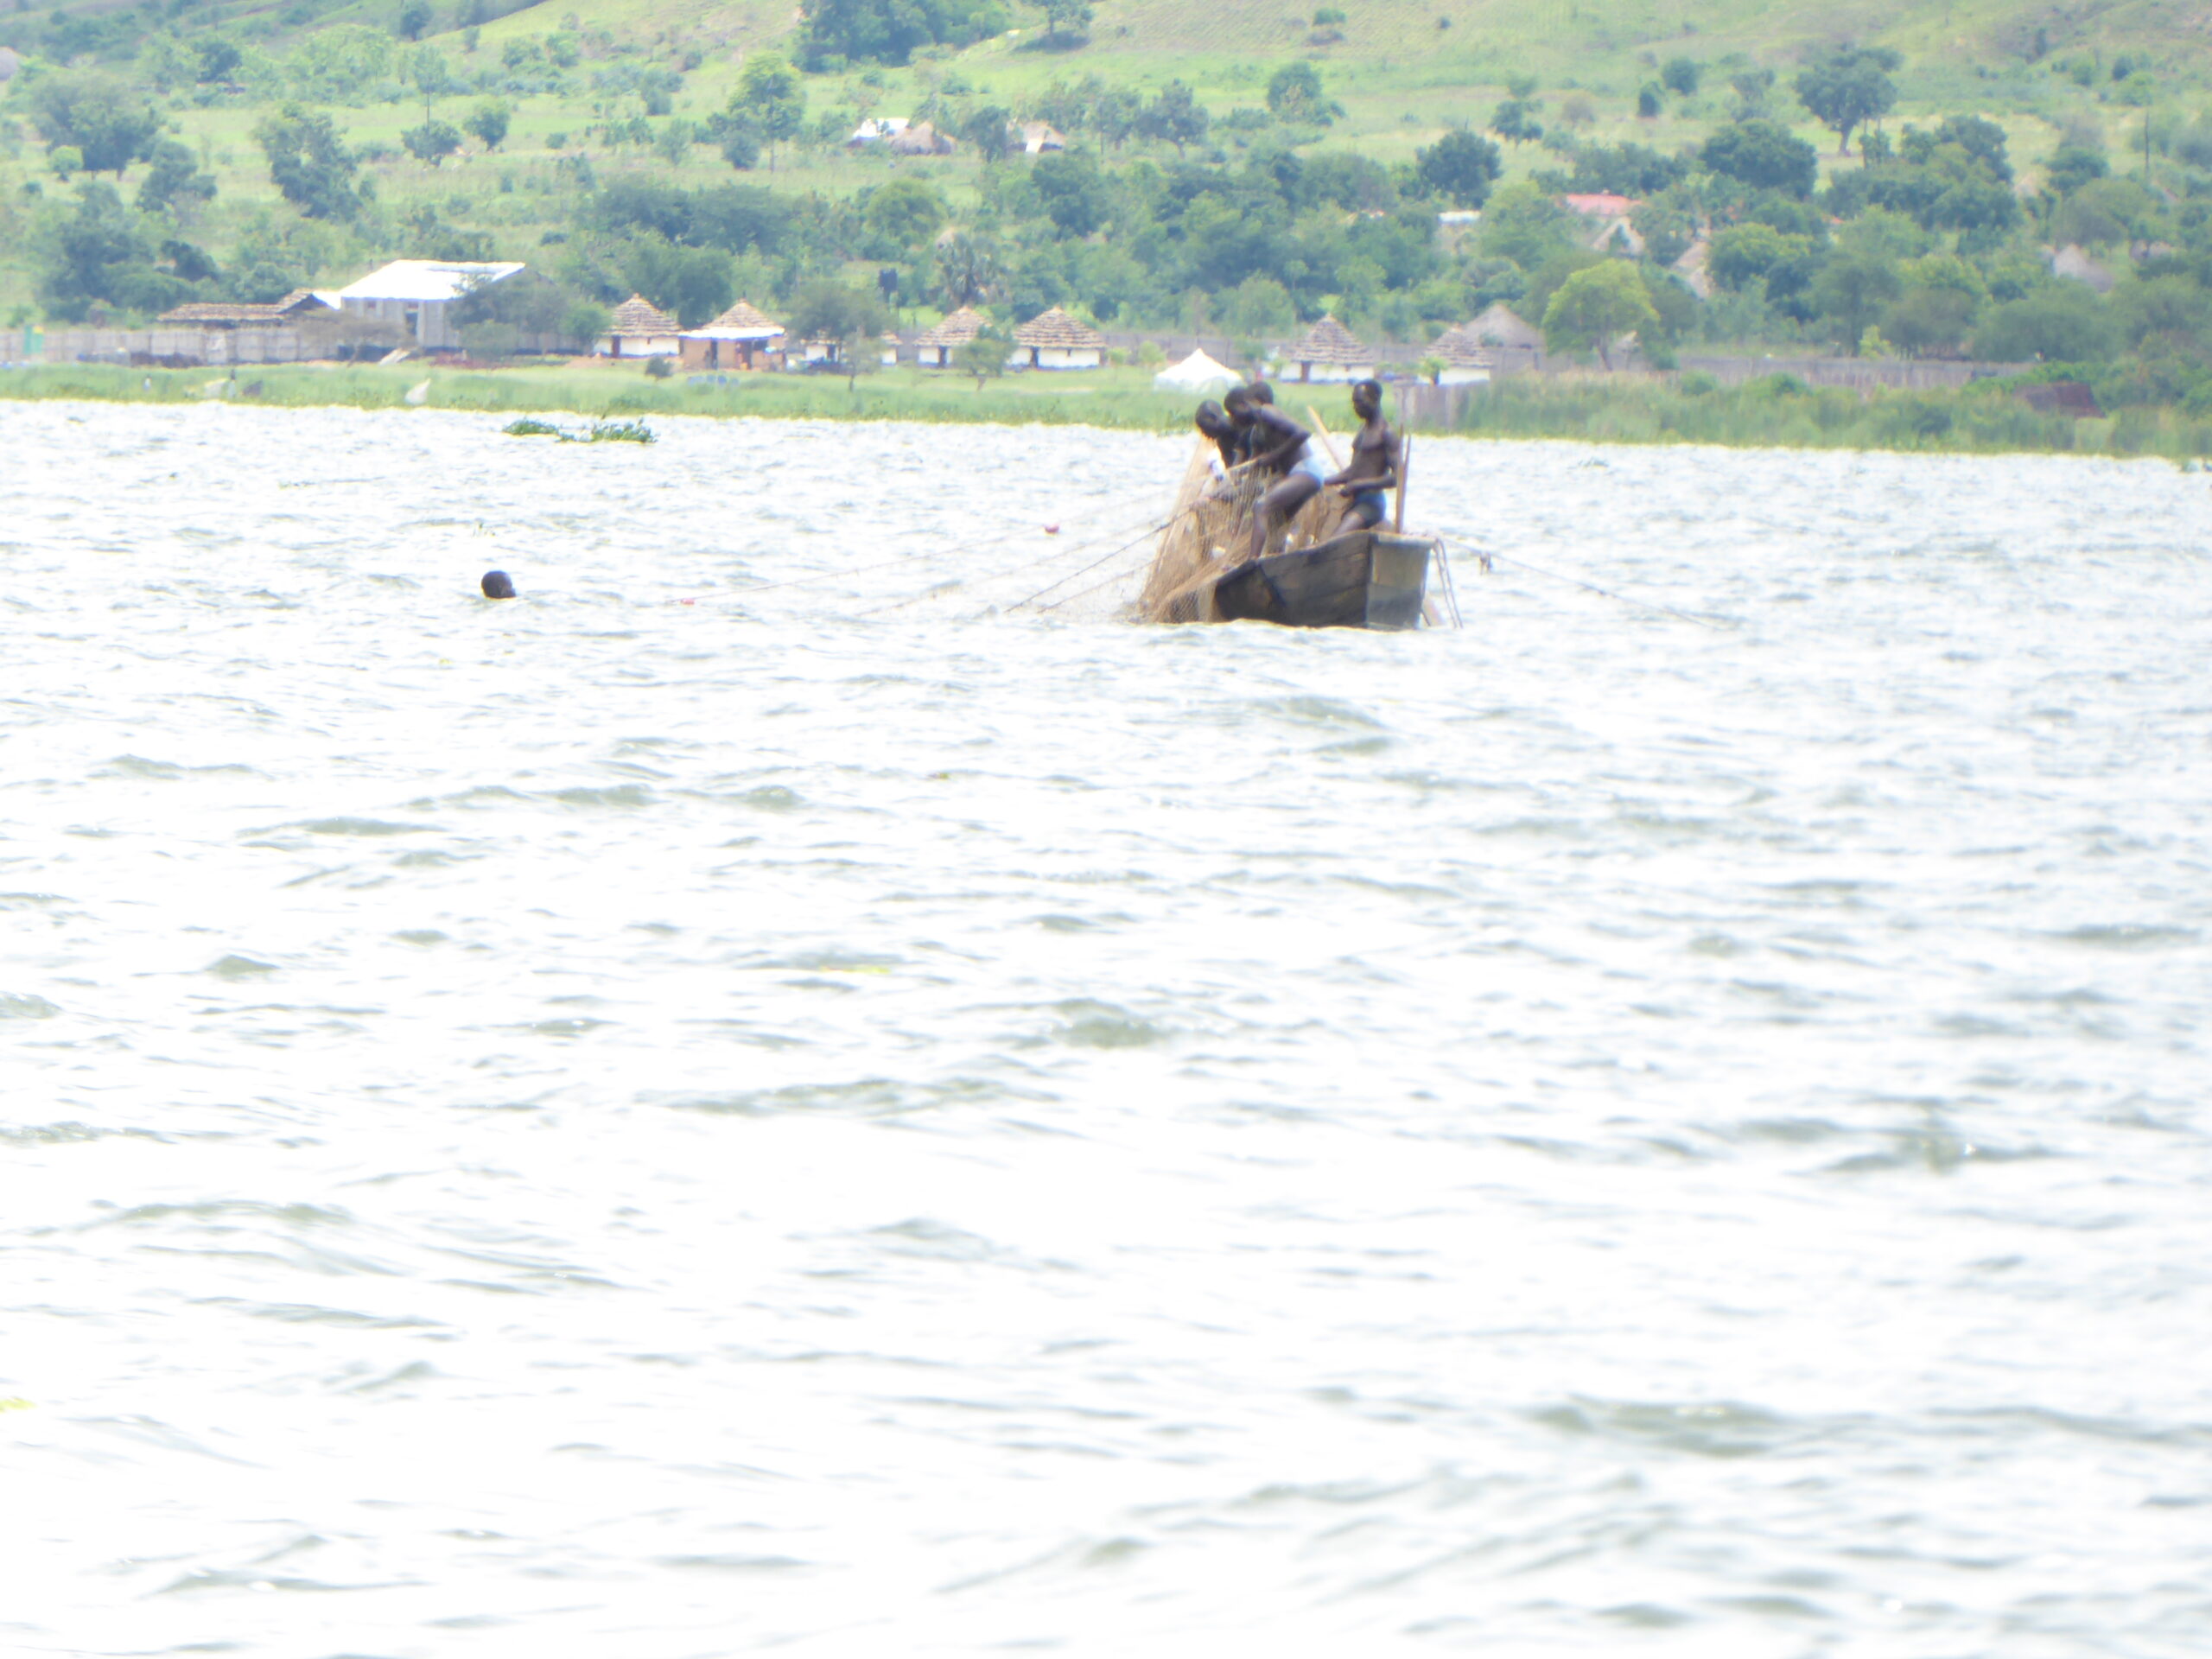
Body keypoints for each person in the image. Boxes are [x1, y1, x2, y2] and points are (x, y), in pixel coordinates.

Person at [1224, 385, 1326, 566]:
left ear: (1253, 402)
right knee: (1276, 523)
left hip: (1306, 470)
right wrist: (1228, 487)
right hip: (1295, 475)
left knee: (1261, 506)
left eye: (1237, 411)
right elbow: (1252, 464)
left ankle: (1252, 563)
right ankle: (1276, 562)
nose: (1235, 418)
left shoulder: (1268, 412)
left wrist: (1274, 456)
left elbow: (1303, 432)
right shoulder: (1257, 430)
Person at [1325, 379, 1400, 531]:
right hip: (1355, 501)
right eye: (1353, 403)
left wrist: (1358, 484)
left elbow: (1397, 478)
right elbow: (1353, 470)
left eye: (1360, 402)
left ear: (1375, 400)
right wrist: (1325, 480)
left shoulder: (1386, 433)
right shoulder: (1362, 430)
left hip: (1371, 503)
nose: (1356, 407)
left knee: (1336, 541)